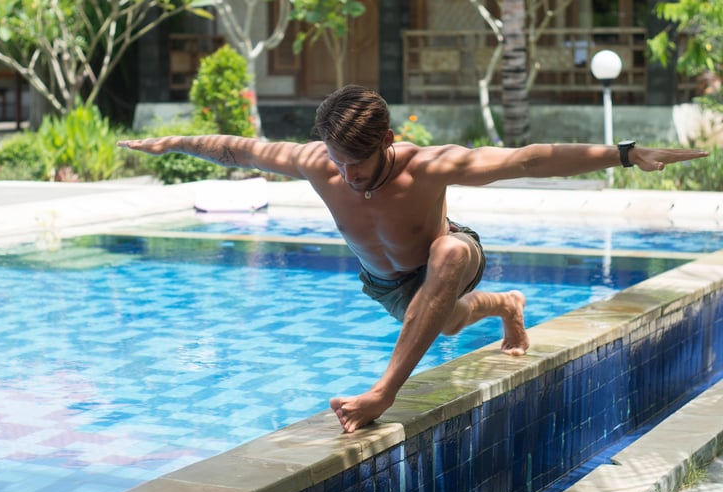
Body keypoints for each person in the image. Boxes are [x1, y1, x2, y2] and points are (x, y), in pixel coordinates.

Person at [118, 84, 708, 433]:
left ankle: (385, 390)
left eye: (359, 163)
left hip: (452, 253)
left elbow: (528, 160)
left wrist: (626, 154)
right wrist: (173, 142)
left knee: (448, 254)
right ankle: (507, 305)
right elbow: (238, 149)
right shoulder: (318, 163)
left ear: (387, 141)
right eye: (337, 162)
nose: (347, 176)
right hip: (388, 283)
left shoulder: (428, 166)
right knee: (444, 320)